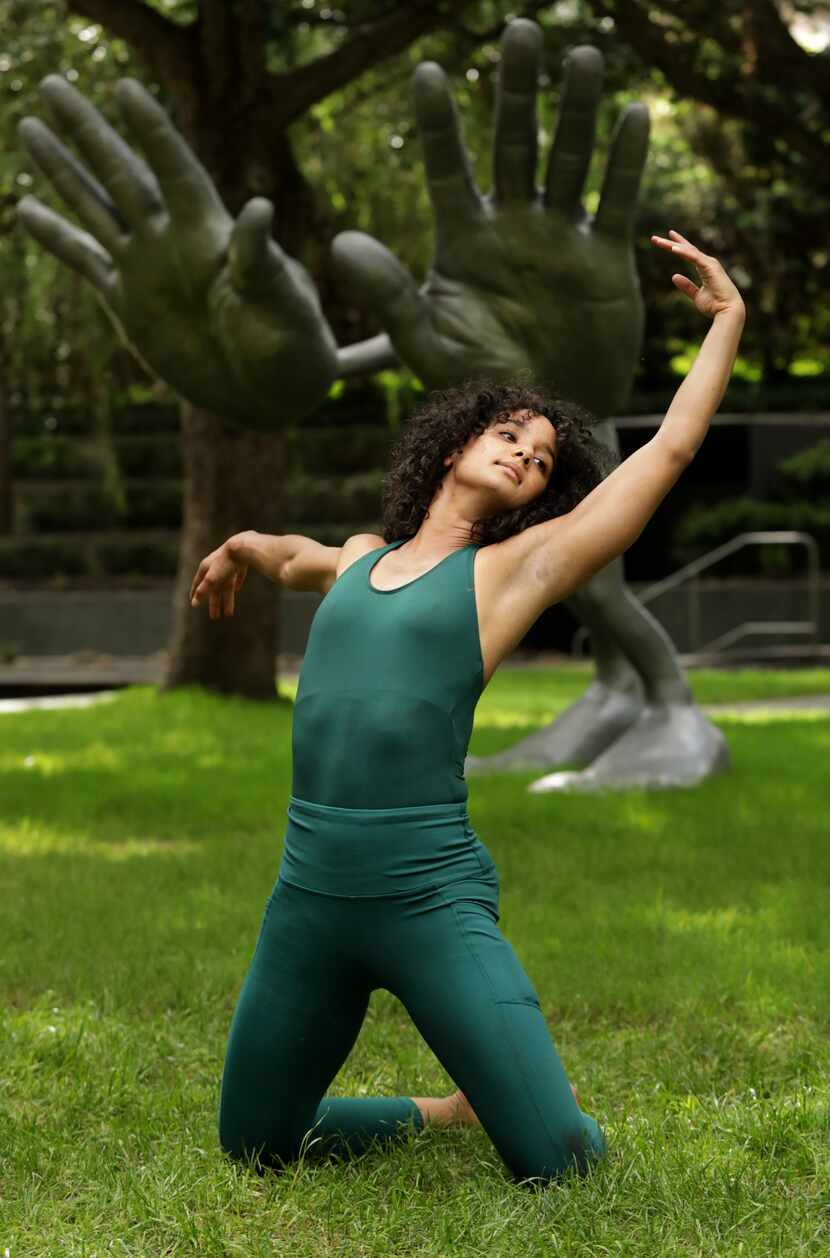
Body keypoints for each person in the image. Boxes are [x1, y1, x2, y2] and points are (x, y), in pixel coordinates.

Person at [190, 231, 745, 1183]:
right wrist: (240, 543)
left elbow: (670, 451)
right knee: (257, 1144)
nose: (529, 454)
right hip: (309, 895)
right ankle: (441, 1112)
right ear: (454, 446)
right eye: (511, 436)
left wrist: (727, 321)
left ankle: (507, 1098)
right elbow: (293, 556)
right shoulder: (360, 558)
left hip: (427, 892)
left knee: (558, 1159)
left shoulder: (508, 577)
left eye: (540, 458)